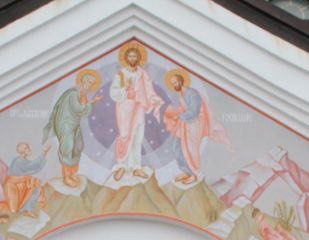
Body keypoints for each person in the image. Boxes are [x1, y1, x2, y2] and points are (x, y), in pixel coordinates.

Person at [162, 68, 228, 185]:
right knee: (177, 147)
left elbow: (195, 111)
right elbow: (183, 109)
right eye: (172, 84)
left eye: (176, 82)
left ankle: (193, 174)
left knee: (190, 149)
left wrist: (179, 116)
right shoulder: (180, 94)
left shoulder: (192, 93)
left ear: (181, 81)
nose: (174, 85)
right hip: (185, 123)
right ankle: (186, 171)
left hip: (195, 123)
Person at [108, 42, 163, 182]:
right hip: (124, 109)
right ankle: (122, 166)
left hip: (138, 108)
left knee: (138, 137)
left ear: (138, 58)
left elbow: (149, 89)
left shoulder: (142, 74)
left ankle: (136, 167)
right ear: (126, 58)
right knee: (125, 136)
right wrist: (126, 92)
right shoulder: (121, 75)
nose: (132, 58)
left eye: (135, 56)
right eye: (130, 56)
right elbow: (113, 92)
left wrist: (154, 99)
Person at [43, 69, 100, 188]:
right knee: (67, 147)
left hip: (74, 124)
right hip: (66, 124)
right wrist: (92, 102)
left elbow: (83, 113)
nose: (90, 85)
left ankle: (72, 172)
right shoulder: (73, 93)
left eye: (92, 83)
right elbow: (78, 109)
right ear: (83, 81)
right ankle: (66, 176)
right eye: (89, 82)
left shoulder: (82, 94)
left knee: (78, 146)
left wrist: (87, 101)